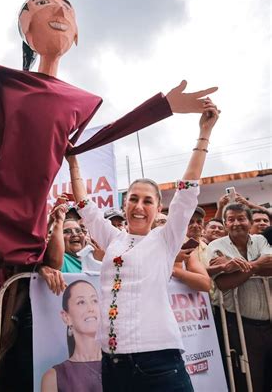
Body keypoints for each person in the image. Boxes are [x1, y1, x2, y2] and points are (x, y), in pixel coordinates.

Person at [0, 0, 218, 318]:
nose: (58, 8)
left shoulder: (82, 102)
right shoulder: (5, 81)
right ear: (24, 27)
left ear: (77, 33)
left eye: (67, 6)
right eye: (41, 2)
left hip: (33, 244)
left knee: (14, 341)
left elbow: (81, 147)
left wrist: (164, 107)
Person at [67, 102, 219, 391]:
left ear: (159, 207)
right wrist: (73, 161)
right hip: (113, 364)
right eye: (133, 199)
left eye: (148, 201)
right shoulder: (113, 238)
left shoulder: (165, 239)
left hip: (159, 363)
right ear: (125, 204)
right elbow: (86, 206)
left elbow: (187, 192)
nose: (139, 206)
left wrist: (204, 134)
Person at [206, 203, 272, 392]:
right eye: (231, 219)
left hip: (268, 323)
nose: (236, 223)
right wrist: (258, 265)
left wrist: (240, 266)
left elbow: (271, 263)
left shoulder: (260, 240)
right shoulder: (216, 245)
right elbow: (223, 283)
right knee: (248, 379)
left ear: (250, 222)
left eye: (241, 218)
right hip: (238, 323)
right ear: (225, 224)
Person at [41, 280, 102, 392]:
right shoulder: (53, 378)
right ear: (66, 317)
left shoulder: (120, 366)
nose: (90, 308)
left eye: (94, 300)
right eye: (81, 302)